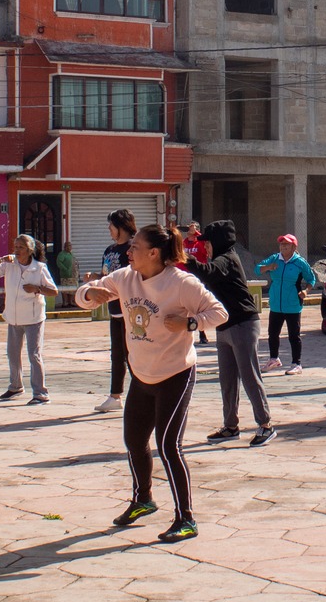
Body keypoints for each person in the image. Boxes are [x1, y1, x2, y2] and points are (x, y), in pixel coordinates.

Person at [76, 224, 231, 542]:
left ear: (154, 253)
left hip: (176, 374)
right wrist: (91, 293)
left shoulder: (181, 282)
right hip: (141, 374)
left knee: (168, 445)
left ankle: (186, 518)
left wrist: (190, 322)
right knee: (134, 441)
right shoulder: (125, 277)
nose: (128, 252)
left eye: (134, 247)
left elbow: (219, 313)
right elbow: (86, 294)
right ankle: (143, 499)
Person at [193, 219, 271, 447]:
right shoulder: (219, 259)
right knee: (227, 380)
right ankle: (230, 426)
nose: (204, 248)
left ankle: (266, 425)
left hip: (243, 324)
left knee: (249, 376)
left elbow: (208, 273)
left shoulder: (226, 259)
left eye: (206, 243)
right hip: (225, 326)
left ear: (216, 242)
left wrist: (185, 258)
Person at [0, 234, 59, 404]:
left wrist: (36, 288)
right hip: (13, 317)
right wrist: (0, 259)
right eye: (15, 246)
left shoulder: (39, 268)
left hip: (33, 317)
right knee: (12, 353)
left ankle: (40, 393)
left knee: (34, 355)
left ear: (30, 250)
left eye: (21, 247)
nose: (17, 250)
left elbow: (53, 291)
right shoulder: (9, 265)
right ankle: (15, 386)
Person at [91, 210, 139, 413]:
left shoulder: (134, 249)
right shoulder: (109, 249)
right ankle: (115, 395)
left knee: (133, 355)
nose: (109, 230)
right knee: (117, 355)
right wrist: (94, 279)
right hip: (114, 310)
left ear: (121, 227)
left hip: (130, 311)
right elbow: (106, 276)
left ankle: (142, 393)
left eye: (111, 225)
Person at [256, 234, 316, 374]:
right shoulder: (275, 258)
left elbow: (311, 279)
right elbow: (257, 269)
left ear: (294, 247)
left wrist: (306, 291)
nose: (283, 246)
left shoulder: (300, 263)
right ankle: (274, 359)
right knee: (273, 333)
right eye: (281, 244)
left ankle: (297, 364)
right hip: (276, 303)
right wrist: (268, 267)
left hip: (293, 304)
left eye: (286, 244)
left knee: (293, 335)